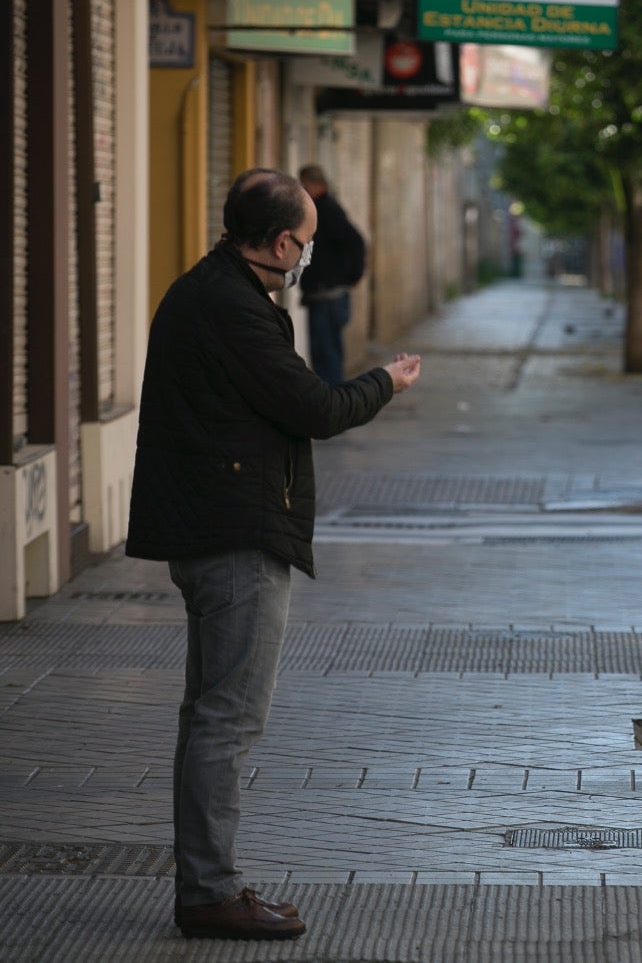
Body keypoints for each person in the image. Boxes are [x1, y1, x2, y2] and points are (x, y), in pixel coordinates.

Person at [126, 168, 422, 940]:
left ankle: (207, 884)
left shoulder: (208, 291)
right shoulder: (234, 309)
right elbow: (315, 408)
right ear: (283, 240)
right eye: (308, 243)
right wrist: (385, 381)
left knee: (208, 717)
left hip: (210, 525)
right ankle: (211, 892)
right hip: (234, 535)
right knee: (227, 720)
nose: (308, 257)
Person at [297, 165, 368, 384]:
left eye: (304, 185)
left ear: (315, 185)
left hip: (328, 297)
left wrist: (352, 277)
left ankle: (331, 411)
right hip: (323, 297)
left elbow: (356, 242)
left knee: (326, 358)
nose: (302, 190)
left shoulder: (325, 210)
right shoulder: (321, 208)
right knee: (324, 357)